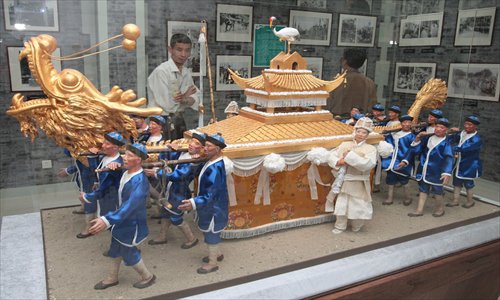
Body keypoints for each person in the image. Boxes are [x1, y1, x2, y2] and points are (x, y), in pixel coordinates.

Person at [88, 143, 156, 290]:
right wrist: (113, 167)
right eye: (125, 154)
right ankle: (112, 277)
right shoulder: (126, 173)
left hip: (131, 223)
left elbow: (130, 206)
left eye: (129, 156)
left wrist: (106, 220)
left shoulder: (139, 181)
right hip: (122, 220)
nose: (124, 158)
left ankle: (148, 276)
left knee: (128, 251)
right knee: (115, 247)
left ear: (138, 160)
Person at [179, 133, 229, 274]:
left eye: (208, 146)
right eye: (205, 145)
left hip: (214, 209)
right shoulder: (211, 162)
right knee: (208, 232)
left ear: (218, 149)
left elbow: (211, 193)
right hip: (211, 207)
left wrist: (193, 202)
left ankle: (212, 263)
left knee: (211, 234)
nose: (205, 148)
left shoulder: (215, 168)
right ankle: (217, 254)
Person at [146, 133, 205, 248]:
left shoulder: (195, 162)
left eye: (197, 143)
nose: (192, 144)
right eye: (192, 141)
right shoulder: (184, 153)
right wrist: (170, 147)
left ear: (202, 148)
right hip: (171, 188)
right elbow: (165, 158)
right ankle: (162, 236)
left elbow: (179, 175)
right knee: (166, 213)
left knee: (175, 217)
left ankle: (191, 238)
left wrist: (157, 173)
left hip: (179, 192)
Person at [327, 117, 377, 234]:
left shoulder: (370, 149)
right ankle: (340, 226)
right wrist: (339, 161)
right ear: (354, 131)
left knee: (358, 205)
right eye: (358, 131)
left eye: (364, 132)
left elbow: (368, 164)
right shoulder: (345, 144)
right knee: (342, 204)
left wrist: (349, 156)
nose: (360, 134)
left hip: (359, 181)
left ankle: (357, 226)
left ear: (367, 135)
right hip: (345, 180)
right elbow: (331, 155)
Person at [147, 33, 200, 140]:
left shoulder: (185, 72)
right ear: (170, 50)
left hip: (179, 120)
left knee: (180, 151)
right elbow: (168, 104)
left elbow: (197, 98)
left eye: (187, 50)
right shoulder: (161, 71)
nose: (183, 54)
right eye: (179, 50)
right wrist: (185, 97)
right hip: (161, 122)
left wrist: (184, 99)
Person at [398, 118, 454, 217]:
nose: (438, 129)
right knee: (423, 190)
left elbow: (449, 158)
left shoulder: (446, 143)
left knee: (438, 192)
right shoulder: (428, 138)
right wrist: (417, 139)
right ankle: (419, 210)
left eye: (442, 127)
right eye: (437, 126)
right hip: (424, 169)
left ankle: (440, 208)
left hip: (437, 172)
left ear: (446, 130)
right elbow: (416, 150)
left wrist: (446, 173)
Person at [78, 132, 125, 238]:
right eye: (104, 143)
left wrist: (87, 196)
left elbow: (105, 186)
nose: (103, 145)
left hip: (112, 198)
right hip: (106, 198)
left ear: (115, 147)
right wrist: (96, 182)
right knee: (110, 223)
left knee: (112, 222)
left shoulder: (114, 165)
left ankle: (125, 248)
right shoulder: (105, 158)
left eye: (107, 144)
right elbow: (96, 169)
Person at [446, 115, 482, 209]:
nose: (467, 126)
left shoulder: (476, 139)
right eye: (466, 124)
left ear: (475, 126)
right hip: (458, 163)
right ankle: (455, 200)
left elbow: (464, 148)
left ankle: (470, 201)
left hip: (469, 165)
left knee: (468, 184)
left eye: (470, 125)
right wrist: (450, 132)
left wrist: (451, 149)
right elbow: (451, 139)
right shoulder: (462, 133)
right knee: (456, 182)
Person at [327, 48, 376, 115]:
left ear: (344, 61)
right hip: (360, 122)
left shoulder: (335, 82)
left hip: (336, 122)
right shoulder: (369, 83)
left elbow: (326, 106)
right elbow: (372, 108)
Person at [381, 115, 415, 206]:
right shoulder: (395, 134)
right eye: (404, 122)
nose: (407, 124)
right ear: (401, 124)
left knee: (404, 181)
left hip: (403, 162)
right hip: (392, 161)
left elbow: (412, 150)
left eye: (409, 123)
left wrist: (405, 161)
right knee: (390, 179)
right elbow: (390, 143)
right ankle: (389, 197)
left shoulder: (412, 136)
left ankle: (408, 197)